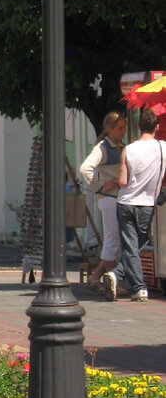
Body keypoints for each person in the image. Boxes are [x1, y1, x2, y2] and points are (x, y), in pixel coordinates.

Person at [103, 107, 165, 303]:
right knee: (142, 241)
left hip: (125, 202)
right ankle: (138, 287)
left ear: (138, 127)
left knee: (131, 245)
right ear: (157, 126)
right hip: (147, 204)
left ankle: (117, 275)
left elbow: (122, 181)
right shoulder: (163, 147)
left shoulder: (128, 149)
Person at [79, 111, 126, 291]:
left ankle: (96, 277)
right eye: (120, 128)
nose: (123, 131)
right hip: (109, 199)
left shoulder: (117, 146)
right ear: (110, 128)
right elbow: (85, 169)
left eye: (124, 128)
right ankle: (114, 283)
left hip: (115, 198)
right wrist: (100, 186)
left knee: (114, 241)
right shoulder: (103, 148)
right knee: (112, 241)